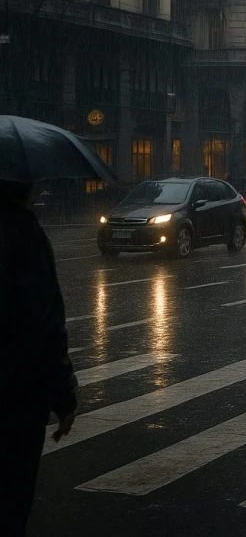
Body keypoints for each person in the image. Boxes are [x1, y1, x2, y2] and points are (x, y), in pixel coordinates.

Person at [0, 180, 77, 535]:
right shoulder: (23, 234)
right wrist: (63, 398)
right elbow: (44, 322)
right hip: (14, 395)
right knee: (10, 501)